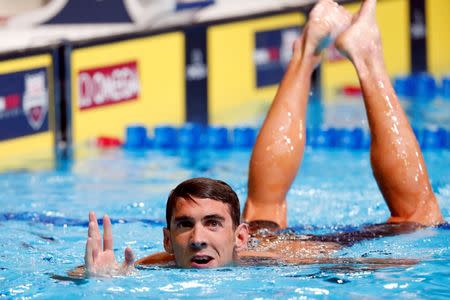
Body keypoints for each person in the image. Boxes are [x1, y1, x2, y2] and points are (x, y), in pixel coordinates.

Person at [72, 0, 444, 277]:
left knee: (421, 219)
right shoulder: (162, 262)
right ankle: (308, 49)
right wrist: (99, 278)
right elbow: (74, 275)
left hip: (300, 249)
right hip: (253, 237)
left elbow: (398, 263)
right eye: (185, 225)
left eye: (212, 223)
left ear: (239, 236)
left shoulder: (281, 262)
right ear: (168, 241)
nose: (197, 238)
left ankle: (366, 57)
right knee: (263, 207)